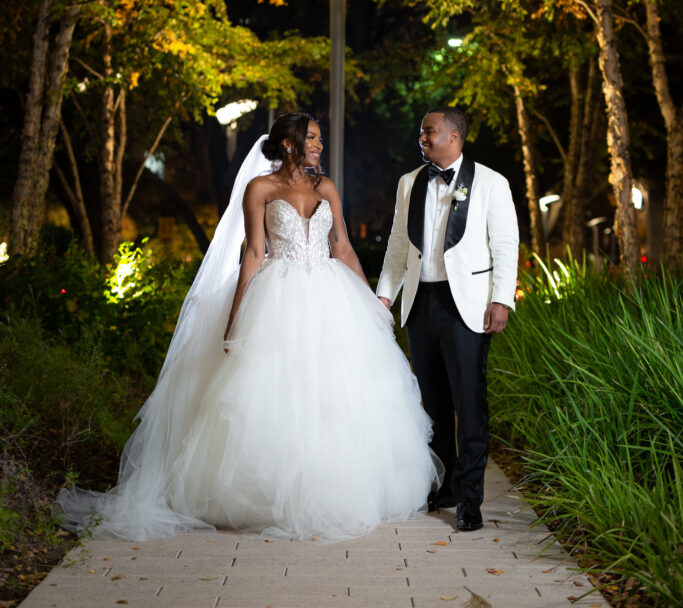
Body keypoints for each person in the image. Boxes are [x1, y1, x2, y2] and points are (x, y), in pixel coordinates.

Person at [57, 113, 440, 542]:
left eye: (319, 139)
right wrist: (236, 316)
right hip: (277, 295)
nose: (319, 145)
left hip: (332, 296)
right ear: (290, 143)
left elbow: (344, 247)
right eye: (312, 138)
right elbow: (254, 253)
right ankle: (271, 491)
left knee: (334, 392)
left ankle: (335, 486)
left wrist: (370, 301)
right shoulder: (261, 189)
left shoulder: (325, 187)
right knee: (279, 392)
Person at [376, 107, 518, 532]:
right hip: (421, 303)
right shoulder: (409, 183)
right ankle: (444, 486)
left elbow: (506, 245)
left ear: (453, 136)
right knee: (433, 404)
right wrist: (384, 297)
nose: (421, 138)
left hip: (469, 306)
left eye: (428, 132)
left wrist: (501, 301)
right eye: (421, 132)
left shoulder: (492, 183)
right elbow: (399, 246)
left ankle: (470, 498)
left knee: (469, 403)